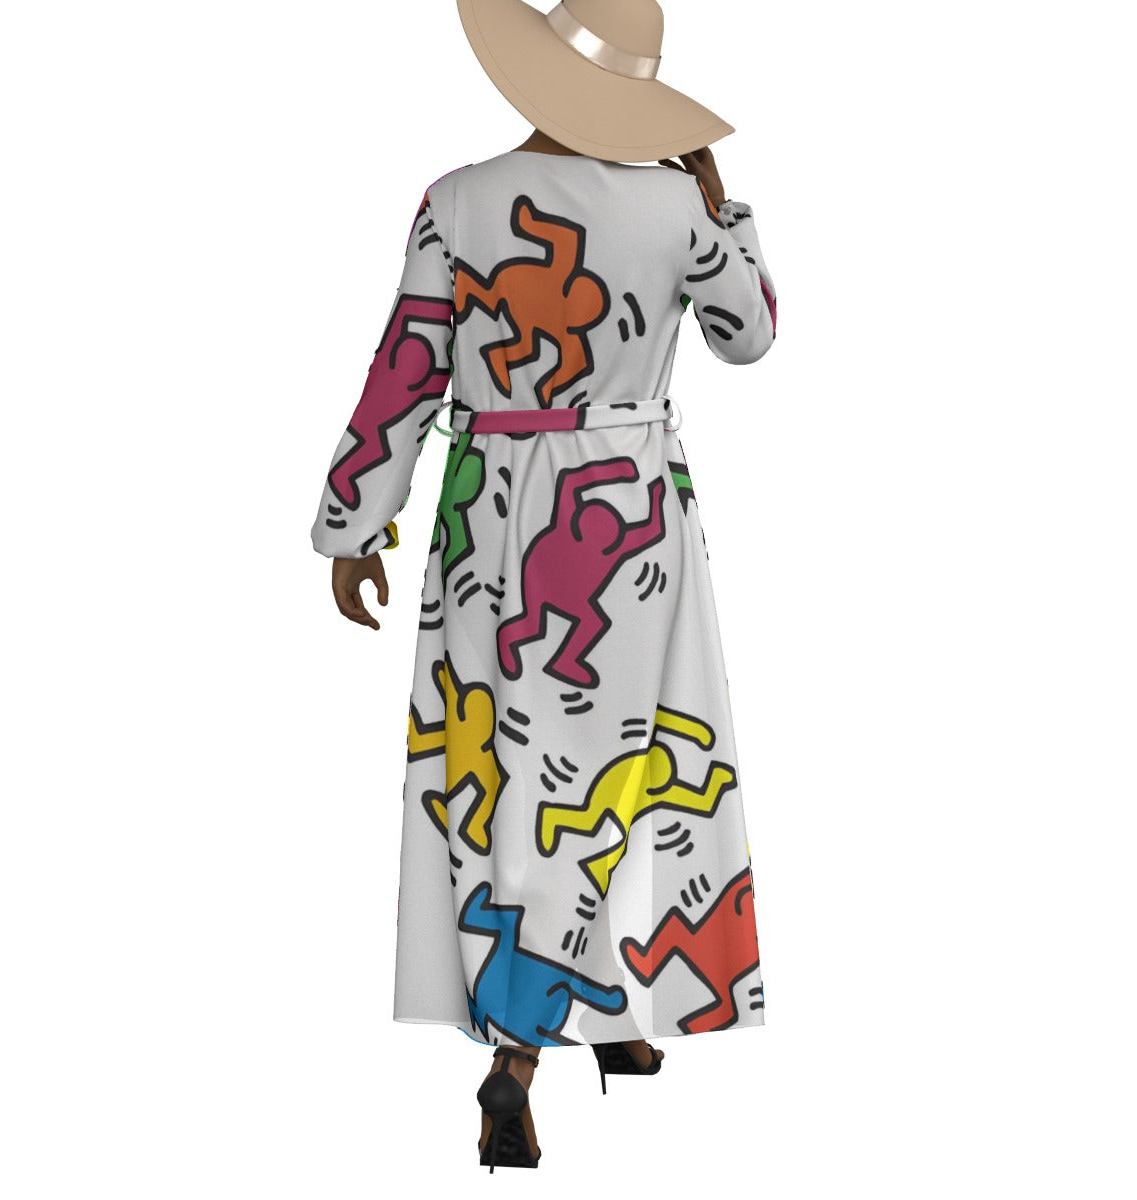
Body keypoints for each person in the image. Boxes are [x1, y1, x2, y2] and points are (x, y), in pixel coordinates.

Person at [309, 0, 777, 1171]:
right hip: (627, 521)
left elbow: (406, 368)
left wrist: (355, 524)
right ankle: (536, 1046)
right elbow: (750, 335)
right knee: (630, 752)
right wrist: (722, 206)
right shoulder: (676, 209)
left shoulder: (458, 201)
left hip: (488, 515)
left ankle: (588, 1013)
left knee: (511, 766)